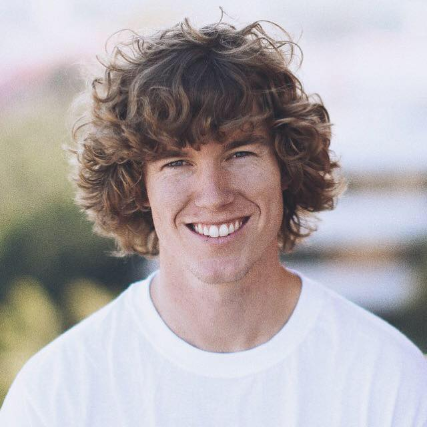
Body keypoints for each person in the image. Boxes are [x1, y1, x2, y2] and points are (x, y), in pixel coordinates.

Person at [1, 16, 426, 427]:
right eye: (176, 162)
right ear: (138, 186)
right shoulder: (57, 394)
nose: (213, 195)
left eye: (240, 154)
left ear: (285, 167)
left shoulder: (389, 380)